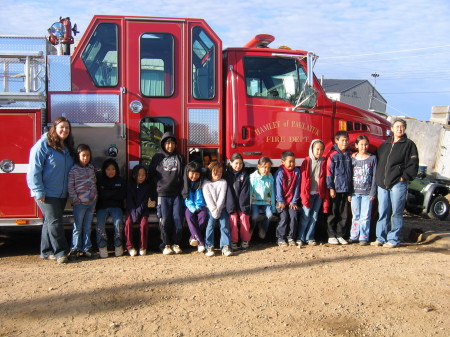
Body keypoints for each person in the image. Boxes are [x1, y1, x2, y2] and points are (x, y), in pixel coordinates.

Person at [27, 116, 75, 264]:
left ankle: (46, 251)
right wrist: (38, 190)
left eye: (67, 128)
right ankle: (61, 252)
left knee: (49, 221)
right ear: (54, 128)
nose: (64, 130)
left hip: (61, 193)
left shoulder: (67, 147)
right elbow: (34, 170)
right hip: (46, 193)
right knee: (56, 222)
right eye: (61, 127)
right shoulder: (43, 145)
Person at [372, 118, 418, 248]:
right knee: (383, 211)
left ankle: (393, 239)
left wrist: (404, 177)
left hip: (398, 183)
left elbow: (413, 163)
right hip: (383, 184)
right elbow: (374, 157)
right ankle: (380, 238)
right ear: (392, 129)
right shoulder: (385, 145)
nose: (399, 129)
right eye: (397, 126)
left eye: (402, 126)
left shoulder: (409, 145)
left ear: (405, 129)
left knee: (396, 212)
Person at [149, 132, 185, 255]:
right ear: (163, 144)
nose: (170, 146)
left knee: (177, 219)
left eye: (172, 143)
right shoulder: (157, 157)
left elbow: (183, 176)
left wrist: (184, 192)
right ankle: (166, 244)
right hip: (162, 194)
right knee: (165, 220)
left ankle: (176, 243)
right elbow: (151, 175)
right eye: (168, 143)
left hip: (177, 194)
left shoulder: (179, 157)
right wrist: (154, 192)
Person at [68, 144, 98, 259]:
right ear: (78, 156)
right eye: (83, 155)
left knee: (87, 226)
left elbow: (94, 183)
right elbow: (71, 187)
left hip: (91, 203)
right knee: (78, 227)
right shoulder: (74, 170)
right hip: (79, 204)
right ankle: (75, 248)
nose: (86, 158)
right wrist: (75, 200)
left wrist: (95, 197)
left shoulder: (91, 168)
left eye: (88, 155)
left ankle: (87, 248)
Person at [297, 139, 329, 247]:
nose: (319, 152)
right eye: (317, 149)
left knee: (314, 216)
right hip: (308, 193)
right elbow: (303, 180)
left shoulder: (323, 161)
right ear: (312, 149)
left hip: (318, 193)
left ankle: (309, 237)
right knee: (305, 216)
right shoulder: (306, 161)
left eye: (321, 149)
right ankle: (300, 237)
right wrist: (304, 195)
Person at [348, 135, 377, 246]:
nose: (364, 147)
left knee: (365, 216)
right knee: (355, 215)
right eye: (361, 144)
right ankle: (354, 236)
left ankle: (363, 237)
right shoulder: (353, 159)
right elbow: (349, 176)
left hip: (367, 193)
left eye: (366, 144)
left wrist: (373, 192)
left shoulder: (372, 158)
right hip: (355, 192)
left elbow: (374, 176)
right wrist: (350, 193)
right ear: (356, 145)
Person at [96, 158, 126, 258]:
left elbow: (121, 195)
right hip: (102, 207)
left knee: (118, 222)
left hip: (116, 207)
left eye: (113, 169)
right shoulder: (99, 181)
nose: (110, 172)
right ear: (104, 170)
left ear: (116, 170)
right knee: (100, 223)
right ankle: (102, 246)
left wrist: (107, 193)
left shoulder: (120, 180)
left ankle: (118, 245)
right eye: (108, 169)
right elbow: (100, 195)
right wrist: (113, 193)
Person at [326, 131, 353, 245]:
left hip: (346, 189)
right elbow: (329, 173)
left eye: (346, 140)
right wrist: (331, 188)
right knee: (333, 213)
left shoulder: (350, 155)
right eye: (342, 140)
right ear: (336, 141)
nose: (345, 142)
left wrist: (351, 190)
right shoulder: (333, 155)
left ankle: (340, 234)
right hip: (336, 189)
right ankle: (331, 235)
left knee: (344, 214)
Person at [203, 161, 234, 257]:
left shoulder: (223, 182)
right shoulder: (205, 183)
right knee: (210, 225)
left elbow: (222, 198)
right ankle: (209, 246)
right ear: (210, 172)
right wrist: (214, 211)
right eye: (215, 171)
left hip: (222, 208)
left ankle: (225, 246)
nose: (218, 174)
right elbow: (208, 199)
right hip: (210, 209)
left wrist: (218, 210)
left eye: (220, 171)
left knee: (224, 225)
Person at [274, 151, 301, 247]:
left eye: (293, 161)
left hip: (292, 201)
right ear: (283, 162)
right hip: (280, 201)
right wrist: (280, 201)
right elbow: (278, 188)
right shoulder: (280, 173)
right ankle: (280, 238)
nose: (292, 164)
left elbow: (297, 188)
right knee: (284, 217)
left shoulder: (297, 172)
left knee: (293, 216)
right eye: (289, 161)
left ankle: (291, 237)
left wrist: (294, 201)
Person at [224, 153, 251, 250]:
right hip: (230, 204)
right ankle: (233, 240)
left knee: (244, 217)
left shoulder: (245, 175)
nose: (238, 166)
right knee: (233, 218)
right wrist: (231, 208)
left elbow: (245, 193)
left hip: (242, 204)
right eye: (236, 163)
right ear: (230, 163)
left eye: (240, 163)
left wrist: (244, 208)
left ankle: (245, 239)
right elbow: (228, 192)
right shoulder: (226, 175)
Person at [182, 161, 208, 253]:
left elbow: (199, 197)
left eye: (197, 174)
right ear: (187, 172)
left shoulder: (200, 182)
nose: (194, 176)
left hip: (200, 205)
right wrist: (193, 208)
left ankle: (193, 237)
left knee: (203, 216)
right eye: (192, 173)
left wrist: (198, 207)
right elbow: (187, 199)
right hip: (188, 206)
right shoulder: (184, 182)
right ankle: (201, 243)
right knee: (189, 216)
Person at [125, 165, 151, 256]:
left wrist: (138, 213)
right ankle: (129, 246)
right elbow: (129, 200)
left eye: (143, 175)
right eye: (139, 175)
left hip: (142, 210)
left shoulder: (147, 186)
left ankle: (143, 247)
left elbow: (144, 202)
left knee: (144, 224)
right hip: (131, 209)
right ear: (134, 175)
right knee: (128, 223)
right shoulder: (129, 185)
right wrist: (133, 213)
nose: (141, 177)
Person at [249, 157, 276, 240]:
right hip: (255, 202)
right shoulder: (252, 178)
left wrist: (273, 207)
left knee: (269, 215)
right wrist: (248, 206)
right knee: (254, 216)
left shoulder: (270, 178)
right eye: (264, 167)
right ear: (258, 167)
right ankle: (251, 228)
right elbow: (250, 192)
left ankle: (263, 228)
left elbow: (272, 193)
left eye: (268, 168)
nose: (266, 170)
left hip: (266, 202)